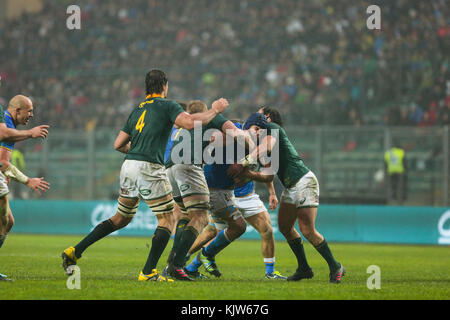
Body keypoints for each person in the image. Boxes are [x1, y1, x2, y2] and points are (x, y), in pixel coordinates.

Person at [61, 70, 230, 282]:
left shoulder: (137, 109)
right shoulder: (167, 105)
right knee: (169, 219)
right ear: (165, 85)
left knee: (120, 218)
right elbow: (188, 123)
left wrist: (138, 152)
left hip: (129, 164)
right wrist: (215, 109)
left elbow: (118, 144)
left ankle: (74, 251)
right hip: (148, 167)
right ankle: (149, 272)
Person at [228, 107, 346, 284]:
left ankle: (335, 266)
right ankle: (304, 268)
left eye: (260, 114)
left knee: (307, 229)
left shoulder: (272, 128)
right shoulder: (264, 140)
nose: (256, 118)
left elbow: (265, 147)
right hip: (290, 186)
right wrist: (249, 175)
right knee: (284, 227)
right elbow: (268, 176)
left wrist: (244, 162)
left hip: (303, 180)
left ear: (267, 117)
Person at [185, 118, 286, 280]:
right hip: (224, 193)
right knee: (212, 232)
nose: (261, 129)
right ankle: (184, 263)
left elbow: (267, 172)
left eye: (263, 127)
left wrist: (270, 190)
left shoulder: (261, 142)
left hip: (246, 196)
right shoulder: (237, 133)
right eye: (258, 125)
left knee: (266, 230)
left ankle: (270, 272)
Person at [0, 94, 51, 282]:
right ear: (17, 111)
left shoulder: (9, 126)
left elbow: (3, 163)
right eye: (28, 111)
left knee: (8, 221)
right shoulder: (6, 125)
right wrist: (27, 180)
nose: (31, 114)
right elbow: (3, 163)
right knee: (4, 219)